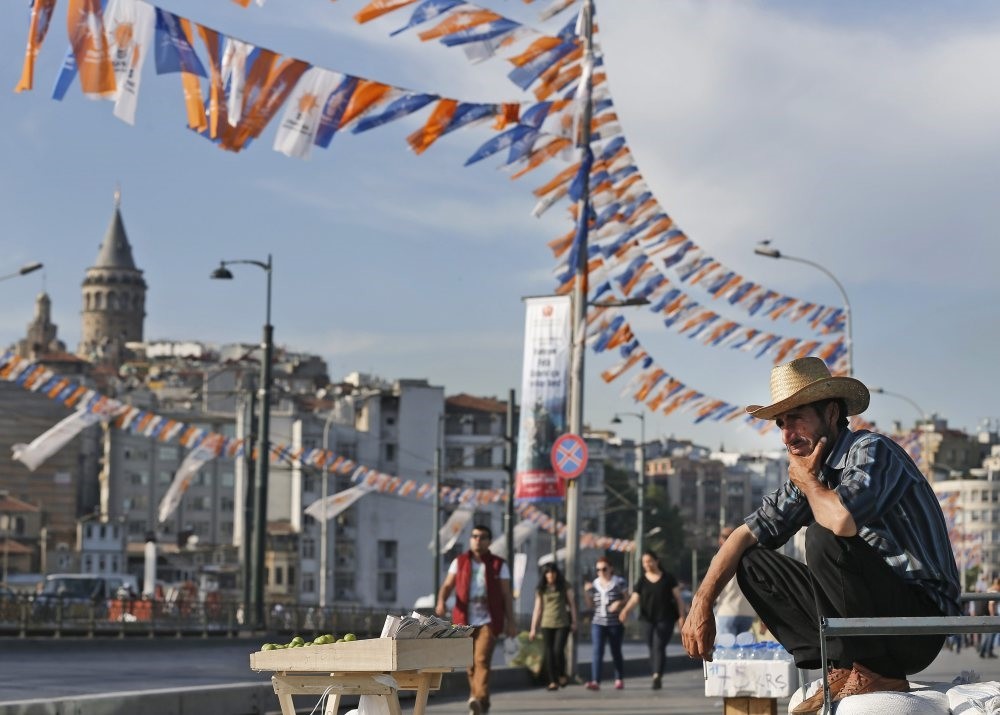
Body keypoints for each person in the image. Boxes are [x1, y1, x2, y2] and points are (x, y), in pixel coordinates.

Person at [680, 357, 961, 715]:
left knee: (823, 535)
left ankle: (878, 671)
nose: (786, 434)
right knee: (751, 562)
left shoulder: (872, 450)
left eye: (796, 418)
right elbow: (741, 535)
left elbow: (842, 520)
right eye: (781, 423)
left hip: (917, 624)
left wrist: (808, 482)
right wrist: (701, 605)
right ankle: (842, 665)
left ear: (830, 413)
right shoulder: (810, 475)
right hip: (875, 621)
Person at [436, 525, 517, 715]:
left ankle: (477, 699)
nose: (477, 540)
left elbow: (506, 595)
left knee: (481, 659)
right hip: (464, 619)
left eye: (482, 537)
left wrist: (511, 622)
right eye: (474, 536)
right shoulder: (460, 561)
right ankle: (481, 704)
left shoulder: (499, 564)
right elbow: (448, 585)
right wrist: (441, 601)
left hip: (489, 619)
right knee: (469, 664)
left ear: (489, 541)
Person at [618, 550, 686, 690]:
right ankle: (656, 672)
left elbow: (679, 599)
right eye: (644, 562)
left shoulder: (668, 578)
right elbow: (634, 599)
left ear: (656, 561)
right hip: (647, 619)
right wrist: (625, 610)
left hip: (666, 618)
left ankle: (657, 675)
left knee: (658, 645)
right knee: (651, 647)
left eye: (649, 561)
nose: (647, 564)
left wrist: (682, 616)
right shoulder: (642, 580)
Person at [528, 563, 577, 690]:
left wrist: (574, 622)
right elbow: (537, 609)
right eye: (548, 572)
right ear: (544, 574)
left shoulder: (564, 586)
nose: (550, 575)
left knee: (558, 650)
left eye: (553, 572)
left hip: (562, 623)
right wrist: (533, 628)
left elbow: (572, 605)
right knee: (548, 653)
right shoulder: (541, 589)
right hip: (546, 623)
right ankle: (552, 681)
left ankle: (561, 674)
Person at [585, 556, 629, 691]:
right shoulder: (595, 584)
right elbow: (590, 605)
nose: (601, 572)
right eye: (598, 569)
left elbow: (628, 599)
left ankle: (619, 679)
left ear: (611, 569)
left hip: (615, 623)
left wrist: (619, 603)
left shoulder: (619, 582)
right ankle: (595, 681)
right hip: (598, 622)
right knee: (597, 651)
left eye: (604, 569)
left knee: (616, 651)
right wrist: (586, 592)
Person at [713, 526, 757, 637]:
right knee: (742, 651)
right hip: (748, 612)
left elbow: (715, 584)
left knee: (727, 651)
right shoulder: (749, 558)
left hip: (727, 611)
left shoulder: (720, 558)